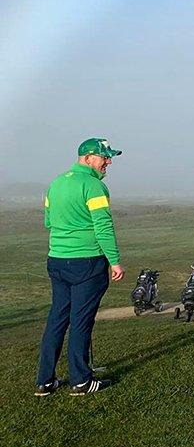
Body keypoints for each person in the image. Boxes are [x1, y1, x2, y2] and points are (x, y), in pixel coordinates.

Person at [35, 138, 125, 397]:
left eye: (109, 157)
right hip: (87, 262)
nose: (108, 162)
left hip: (57, 260)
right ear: (87, 158)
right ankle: (81, 381)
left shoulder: (55, 184)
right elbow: (103, 227)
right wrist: (115, 261)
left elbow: (49, 221)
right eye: (104, 157)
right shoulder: (94, 187)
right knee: (80, 321)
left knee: (57, 319)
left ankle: (45, 381)